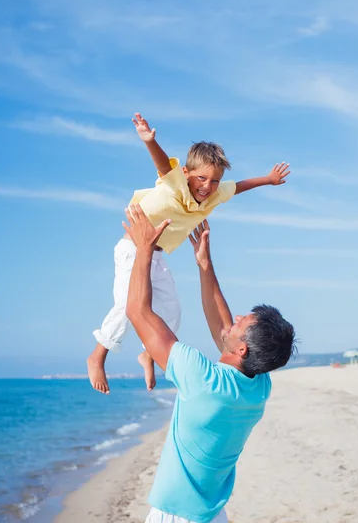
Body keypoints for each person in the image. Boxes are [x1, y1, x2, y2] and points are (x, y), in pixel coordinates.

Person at [87, 113, 291, 394]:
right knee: (127, 305)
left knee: (172, 310)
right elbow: (161, 164)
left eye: (214, 181)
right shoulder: (175, 182)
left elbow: (239, 186)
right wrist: (150, 141)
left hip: (156, 255)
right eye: (201, 178)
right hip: (133, 248)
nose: (207, 187)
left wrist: (268, 180)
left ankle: (148, 353)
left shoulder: (216, 192)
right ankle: (98, 355)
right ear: (186, 173)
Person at [123, 205, 296, 523]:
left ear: (242, 348)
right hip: (211, 514)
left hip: (175, 516)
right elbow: (223, 330)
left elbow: (137, 311)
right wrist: (204, 264)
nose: (238, 317)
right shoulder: (258, 386)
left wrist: (144, 248)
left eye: (243, 321)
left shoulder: (202, 378)